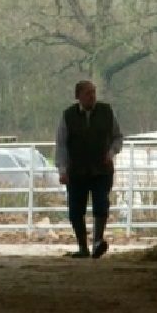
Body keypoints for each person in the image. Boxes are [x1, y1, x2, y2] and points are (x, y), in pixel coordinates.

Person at [54, 80, 123, 259]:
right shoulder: (68, 116)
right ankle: (83, 246)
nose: (92, 96)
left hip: (102, 169)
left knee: (101, 203)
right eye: (88, 93)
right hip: (76, 170)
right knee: (76, 209)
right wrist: (62, 169)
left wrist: (112, 152)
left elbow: (117, 137)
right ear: (78, 96)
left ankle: (98, 241)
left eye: (93, 93)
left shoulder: (107, 112)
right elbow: (61, 145)